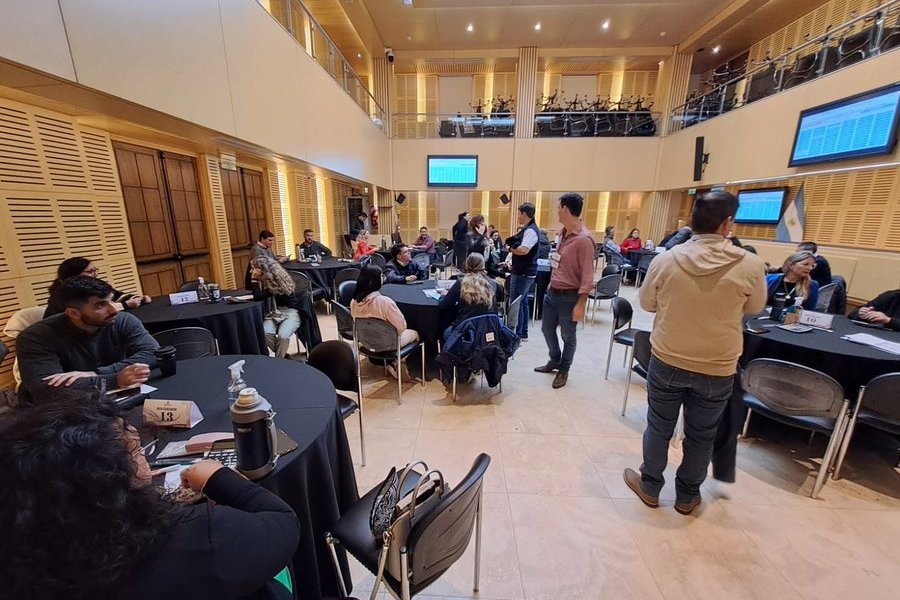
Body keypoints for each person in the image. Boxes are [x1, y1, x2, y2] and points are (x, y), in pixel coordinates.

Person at [0, 393, 300, 600]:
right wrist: (218, 478)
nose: (143, 457)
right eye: (133, 450)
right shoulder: (193, 539)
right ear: (105, 484)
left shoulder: (23, 563)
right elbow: (283, 524)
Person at [623, 191, 767, 516]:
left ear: (692, 221)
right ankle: (687, 495)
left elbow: (646, 303)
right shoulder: (751, 264)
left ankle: (650, 486)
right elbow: (756, 307)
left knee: (659, 426)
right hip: (718, 366)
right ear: (727, 223)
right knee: (702, 434)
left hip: (669, 357)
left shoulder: (666, 260)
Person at [15, 277, 159, 404]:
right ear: (74, 313)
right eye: (100, 305)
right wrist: (114, 379)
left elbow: (153, 352)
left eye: (112, 301)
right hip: (60, 410)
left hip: (111, 398)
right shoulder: (35, 337)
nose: (114, 310)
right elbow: (47, 390)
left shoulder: (122, 320)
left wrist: (95, 373)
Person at [534, 193, 595, 389]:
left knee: (568, 335)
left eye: (559, 207)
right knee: (546, 329)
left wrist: (581, 303)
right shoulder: (562, 234)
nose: (557, 211)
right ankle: (555, 359)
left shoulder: (584, 240)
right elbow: (558, 262)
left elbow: (588, 275)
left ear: (566, 209)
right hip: (553, 292)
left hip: (570, 297)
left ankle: (564, 369)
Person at [350, 266, 420, 379]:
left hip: (366, 342)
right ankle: (399, 361)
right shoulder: (385, 303)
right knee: (415, 334)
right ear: (376, 281)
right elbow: (401, 327)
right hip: (389, 343)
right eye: (381, 276)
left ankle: (390, 363)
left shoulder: (353, 302)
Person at [44, 257, 151, 318]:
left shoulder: (93, 286)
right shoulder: (63, 296)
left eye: (95, 270)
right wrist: (125, 305)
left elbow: (116, 295)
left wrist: (137, 298)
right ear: (74, 275)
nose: (95, 275)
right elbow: (90, 313)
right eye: (90, 271)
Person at [249, 256, 303, 358]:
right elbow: (250, 288)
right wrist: (254, 279)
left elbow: (258, 296)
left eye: (253, 269)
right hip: (274, 313)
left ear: (262, 270)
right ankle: (282, 356)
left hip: (290, 312)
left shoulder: (276, 282)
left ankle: (280, 360)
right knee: (265, 332)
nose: (251, 271)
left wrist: (254, 279)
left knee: (283, 336)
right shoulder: (265, 279)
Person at [504, 203, 540, 340]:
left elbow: (523, 250)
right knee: (523, 303)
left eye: (519, 214)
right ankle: (523, 333)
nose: (518, 217)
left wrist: (509, 249)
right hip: (526, 272)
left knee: (516, 304)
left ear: (524, 214)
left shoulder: (530, 231)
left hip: (523, 273)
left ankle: (516, 335)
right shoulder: (531, 229)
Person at [439, 253, 498, 333]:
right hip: (487, 330)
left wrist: (443, 295)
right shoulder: (492, 284)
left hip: (464, 331)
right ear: (483, 266)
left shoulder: (461, 283)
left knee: (445, 330)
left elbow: (443, 305)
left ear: (466, 265)